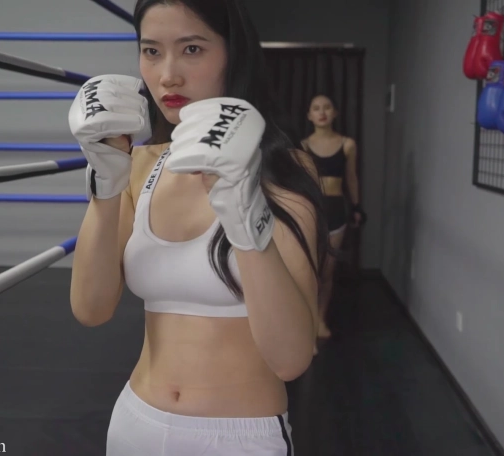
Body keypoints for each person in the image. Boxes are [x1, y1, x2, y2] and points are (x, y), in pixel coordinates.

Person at [67, 0, 329, 454]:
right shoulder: (140, 164)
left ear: (233, 54)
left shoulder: (285, 169)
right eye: (151, 51)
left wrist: (245, 215)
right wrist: (105, 186)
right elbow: (90, 309)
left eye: (192, 49)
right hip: (135, 423)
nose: (168, 75)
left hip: (240, 436)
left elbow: (290, 360)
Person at [301, 94, 364, 340]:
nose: (322, 112)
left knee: (327, 271)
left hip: (336, 210)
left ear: (335, 113)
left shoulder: (347, 144)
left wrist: (357, 207)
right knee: (309, 270)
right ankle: (306, 324)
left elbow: (351, 178)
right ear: (309, 115)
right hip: (311, 210)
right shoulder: (303, 146)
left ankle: (320, 319)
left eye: (327, 107)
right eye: (316, 108)